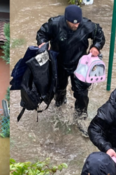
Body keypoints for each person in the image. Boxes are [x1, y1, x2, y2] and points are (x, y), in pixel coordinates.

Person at [36, 5, 105, 136]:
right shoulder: (55, 23)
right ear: (66, 19)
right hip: (59, 63)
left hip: (80, 64)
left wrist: (96, 46)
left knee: (81, 93)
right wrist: (42, 43)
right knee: (59, 89)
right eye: (73, 23)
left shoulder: (87, 25)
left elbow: (99, 34)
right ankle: (60, 105)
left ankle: (80, 119)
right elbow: (42, 33)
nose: (76, 25)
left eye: (78, 22)